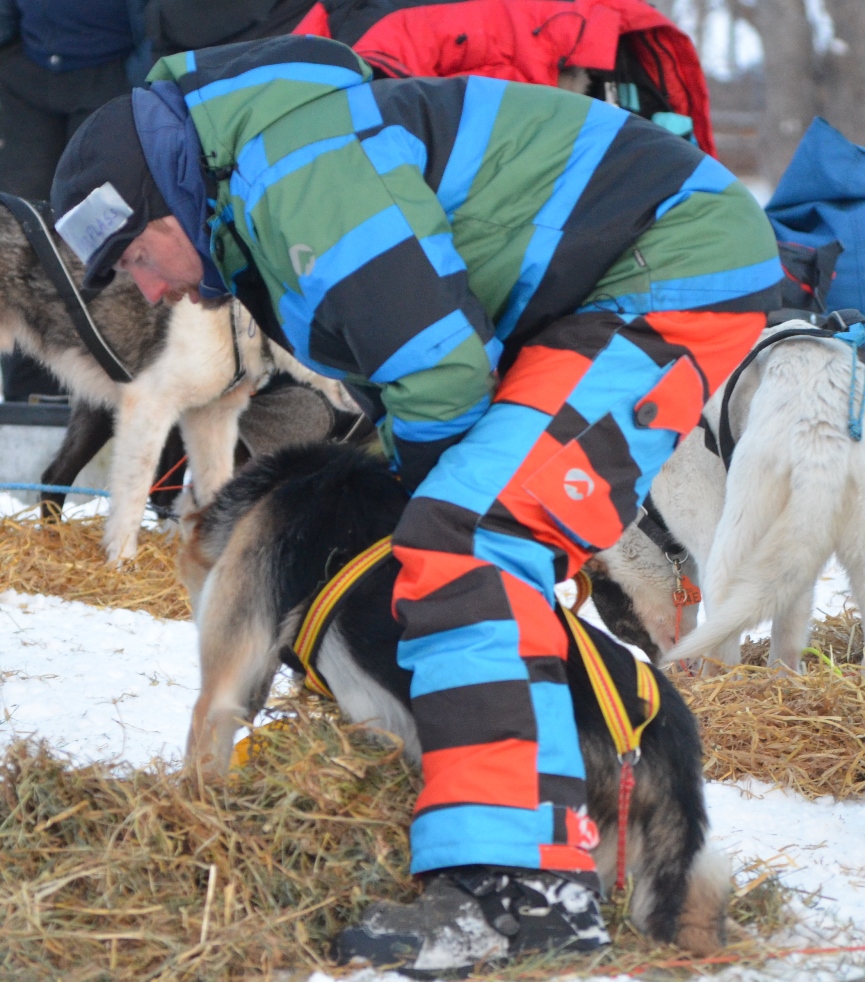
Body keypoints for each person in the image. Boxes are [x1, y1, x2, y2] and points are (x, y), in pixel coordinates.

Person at [51, 35, 782, 972]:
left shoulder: (297, 169)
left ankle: (516, 891)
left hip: (664, 265)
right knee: (454, 541)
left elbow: (437, 365)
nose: (150, 289)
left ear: (165, 194)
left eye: (136, 257)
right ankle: (537, 846)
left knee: (466, 542)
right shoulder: (258, 188)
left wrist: (428, 507)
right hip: (603, 282)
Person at [0, 0, 150, 401]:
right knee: (15, 241)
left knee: (95, 241)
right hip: (27, 77)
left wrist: (139, 75)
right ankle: (27, 396)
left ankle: (100, 392)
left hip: (111, 76)